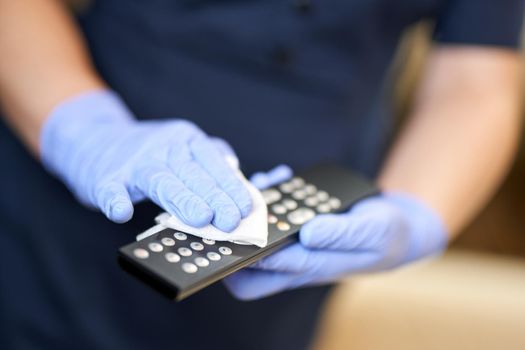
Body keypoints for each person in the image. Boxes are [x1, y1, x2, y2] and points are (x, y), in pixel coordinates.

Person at [0, 0, 523, 349]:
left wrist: (417, 212)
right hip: (50, 234)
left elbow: (476, 76)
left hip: (289, 265)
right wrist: (84, 128)